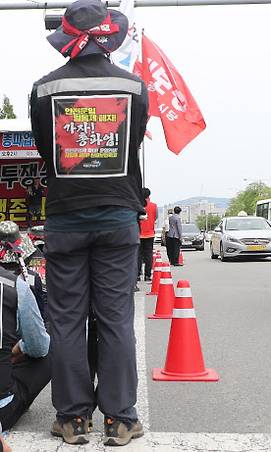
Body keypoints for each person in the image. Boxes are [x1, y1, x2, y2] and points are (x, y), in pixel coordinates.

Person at [29, 0, 147, 446]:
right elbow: (133, 143)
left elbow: (46, 149)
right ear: (108, 35)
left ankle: (74, 418)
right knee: (116, 318)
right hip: (118, 216)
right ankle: (120, 419)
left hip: (64, 220)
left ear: (69, 38)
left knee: (66, 321)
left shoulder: (44, 89)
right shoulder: (134, 87)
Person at [0, 222, 51, 434]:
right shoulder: (19, 284)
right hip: (3, 402)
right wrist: (18, 348)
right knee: (50, 341)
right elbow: (39, 346)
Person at [138, 188, 157, 282]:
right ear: (149, 195)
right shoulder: (154, 206)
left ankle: (137, 274)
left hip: (138, 233)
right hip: (150, 234)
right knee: (149, 255)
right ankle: (147, 275)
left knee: (138, 255)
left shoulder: (137, 205)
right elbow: (155, 217)